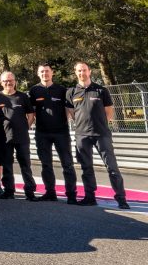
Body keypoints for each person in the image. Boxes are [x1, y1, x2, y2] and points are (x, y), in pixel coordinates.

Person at [67, 62, 129, 209]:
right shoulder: (71, 92)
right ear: (75, 72)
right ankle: (90, 197)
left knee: (112, 167)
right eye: (79, 71)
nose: (82, 73)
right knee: (86, 168)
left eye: (84, 70)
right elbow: (71, 113)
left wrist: (100, 124)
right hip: (82, 135)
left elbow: (109, 112)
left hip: (102, 135)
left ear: (89, 71)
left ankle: (121, 198)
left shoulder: (101, 90)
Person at [29, 63, 78, 203]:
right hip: (42, 133)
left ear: (52, 73)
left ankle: (71, 194)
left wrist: (63, 122)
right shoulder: (34, 90)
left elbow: (68, 109)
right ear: (38, 74)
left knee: (67, 164)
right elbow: (32, 111)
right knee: (46, 165)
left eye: (47, 71)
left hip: (61, 133)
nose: (45, 74)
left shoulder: (62, 90)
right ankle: (50, 192)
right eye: (42, 72)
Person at [0, 71, 36, 200]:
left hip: (22, 137)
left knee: (25, 165)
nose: (8, 83)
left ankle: (30, 191)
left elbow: (31, 114)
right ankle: (9, 191)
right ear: (1, 82)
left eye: (10, 80)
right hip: (4, 136)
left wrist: (25, 127)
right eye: (5, 81)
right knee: (7, 165)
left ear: (15, 81)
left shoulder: (22, 96)